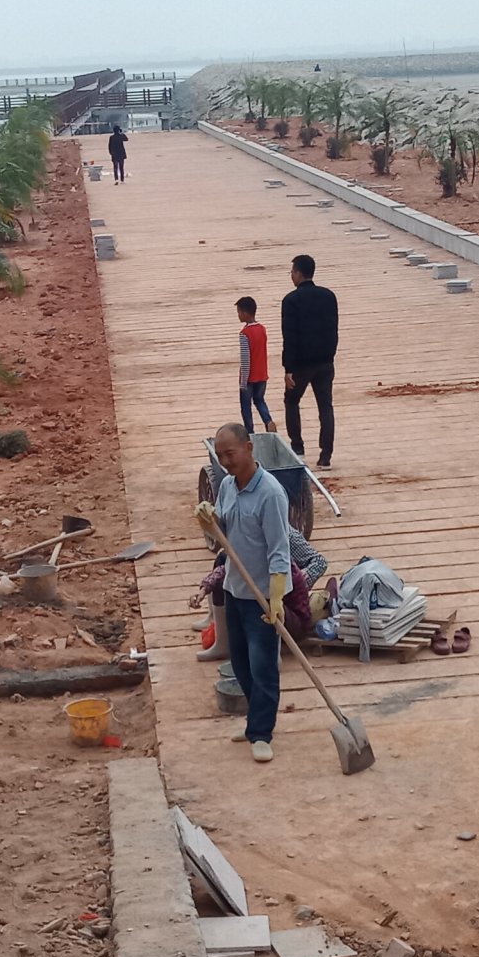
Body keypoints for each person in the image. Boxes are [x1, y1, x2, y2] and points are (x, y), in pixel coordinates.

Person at [195, 422, 291, 763]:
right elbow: (224, 530)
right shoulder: (227, 486)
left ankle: (262, 733)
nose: (225, 462)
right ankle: (254, 723)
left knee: (263, 666)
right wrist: (209, 521)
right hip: (235, 588)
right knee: (240, 663)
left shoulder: (271, 494)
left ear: (249, 448)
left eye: (230, 454)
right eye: (220, 456)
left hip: (262, 595)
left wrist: (276, 597)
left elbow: (279, 550)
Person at [279, 253, 339, 469]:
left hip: (301, 365)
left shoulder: (290, 301)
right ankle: (326, 455)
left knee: (291, 401)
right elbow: (333, 329)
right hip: (325, 362)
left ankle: (297, 447)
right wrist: (330, 355)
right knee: (325, 407)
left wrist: (288, 368)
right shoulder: (329, 296)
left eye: (292, 272)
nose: (291, 276)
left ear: (298, 273)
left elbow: (289, 336)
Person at [235, 296, 275, 435]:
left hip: (249, 378)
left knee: (246, 407)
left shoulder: (244, 334)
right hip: (262, 375)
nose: (238, 315)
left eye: (239, 312)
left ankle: (250, 432)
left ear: (245, 313)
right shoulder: (262, 329)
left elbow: (245, 360)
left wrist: (243, 382)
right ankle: (268, 421)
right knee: (259, 400)